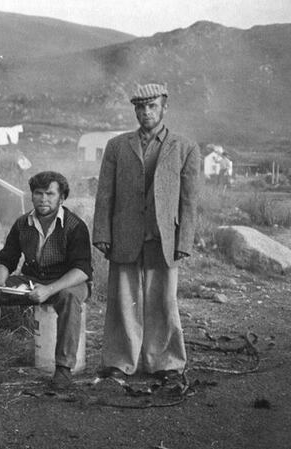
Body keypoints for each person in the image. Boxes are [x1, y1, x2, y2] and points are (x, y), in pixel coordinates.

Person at [92, 83, 200, 382]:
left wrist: (185, 241)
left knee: (163, 301)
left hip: (164, 237)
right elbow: (104, 194)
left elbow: (189, 201)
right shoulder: (117, 146)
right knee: (123, 300)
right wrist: (102, 231)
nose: (145, 112)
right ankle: (119, 362)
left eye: (151, 106)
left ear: (164, 108)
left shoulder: (185, 147)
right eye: (140, 107)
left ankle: (166, 364)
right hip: (124, 234)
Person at [0, 171, 92, 389]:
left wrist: (49, 290)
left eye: (50, 194)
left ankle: (63, 368)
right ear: (32, 196)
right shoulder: (22, 224)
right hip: (33, 280)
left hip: (67, 282)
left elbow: (82, 270)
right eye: (38, 193)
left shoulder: (75, 226)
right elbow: (6, 258)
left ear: (61, 198)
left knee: (68, 298)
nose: (44, 199)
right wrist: (0, 282)